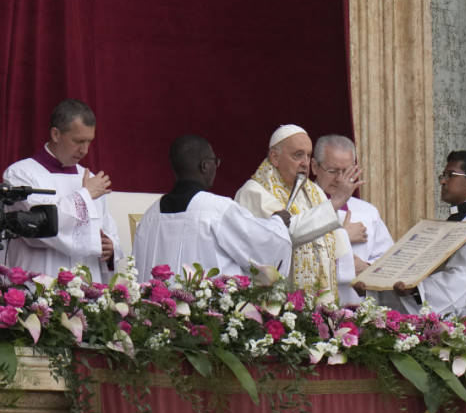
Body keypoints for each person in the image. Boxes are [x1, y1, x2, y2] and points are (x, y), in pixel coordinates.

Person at [132, 135, 292, 279]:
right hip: (207, 310)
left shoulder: (151, 214)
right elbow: (262, 245)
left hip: (160, 310)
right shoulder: (216, 209)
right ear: (204, 166)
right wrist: (278, 222)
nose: (216, 167)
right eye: (215, 162)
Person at [235, 125, 363, 301]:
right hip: (277, 304)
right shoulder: (255, 193)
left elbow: (336, 250)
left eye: (308, 155)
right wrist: (336, 201)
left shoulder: (313, 191)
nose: (305, 162)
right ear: (275, 157)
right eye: (298, 155)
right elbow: (285, 234)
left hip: (319, 303)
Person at [2, 99, 123, 281]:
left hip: (86, 287)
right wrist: (85, 196)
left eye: (89, 141)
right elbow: (37, 230)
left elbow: (107, 231)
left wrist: (111, 246)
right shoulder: (20, 174)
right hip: (41, 280)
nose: (85, 150)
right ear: (56, 134)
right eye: (78, 141)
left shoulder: (89, 178)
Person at [388, 150, 466, 316]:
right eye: (443, 175)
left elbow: (463, 279)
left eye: (450, 175)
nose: (443, 182)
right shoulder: (458, 219)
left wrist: (416, 290)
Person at [311, 135, 393, 304]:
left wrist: (368, 269)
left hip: (359, 306)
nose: (340, 178)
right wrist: (343, 236)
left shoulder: (367, 212)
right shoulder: (301, 206)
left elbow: (389, 259)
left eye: (347, 171)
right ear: (314, 167)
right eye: (333, 171)